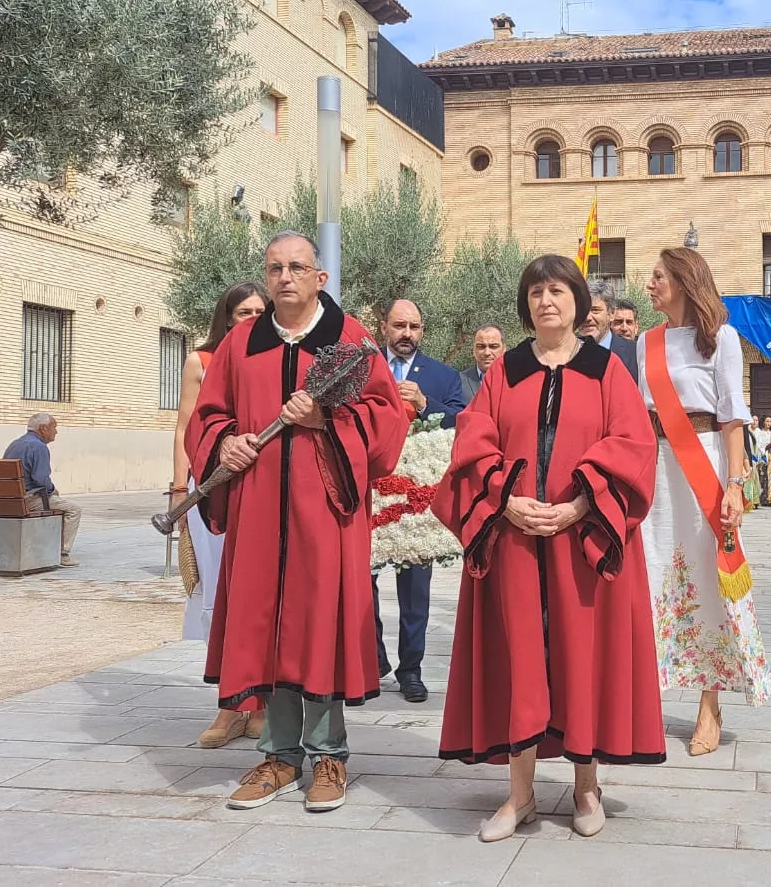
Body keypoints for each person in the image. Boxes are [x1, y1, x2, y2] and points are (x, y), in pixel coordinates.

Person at [433, 254, 665, 842]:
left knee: (580, 652)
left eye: (558, 291)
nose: (546, 301)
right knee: (519, 655)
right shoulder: (503, 371)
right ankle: (520, 797)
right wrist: (506, 500)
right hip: (515, 536)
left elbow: (633, 444)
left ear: (579, 301)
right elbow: (473, 440)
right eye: (536, 292)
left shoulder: (606, 370)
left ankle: (586, 789)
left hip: (579, 537)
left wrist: (580, 505)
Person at [187, 230, 409, 813]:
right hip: (259, 510)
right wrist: (224, 445)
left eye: (297, 267)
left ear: (320, 278)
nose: (285, 277)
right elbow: (208, 417)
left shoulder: (351, 341)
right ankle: (279, 756)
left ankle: (329, 753)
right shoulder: (241, 343)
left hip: (326, 510)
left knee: (320, 624)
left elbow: (386, 423)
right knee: (269, 624)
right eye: (275, 268)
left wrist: (325, 418)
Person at [639, 247, 771, 757]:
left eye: (657, 277)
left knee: (705, 579)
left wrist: (736, 485)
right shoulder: (646, 344)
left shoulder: (722, 338)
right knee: (654, 576)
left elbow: (733, 417)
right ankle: (647, 695)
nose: (649, 284)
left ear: (682, 280)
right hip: (655, 466)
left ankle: (709, 702)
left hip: (705, 463)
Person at [172, 280, 268, 748]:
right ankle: (230, 707)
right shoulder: (202, 360)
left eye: (258, 311)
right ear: (227, 317)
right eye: (243, 312)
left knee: (260, 598)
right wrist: (177, 489)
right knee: (221, 598)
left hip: (264, 490)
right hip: (213, 489)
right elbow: (186, 425)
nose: (252, 318)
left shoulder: (273, 358)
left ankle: (261, 705)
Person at [373, 298, 467, 703]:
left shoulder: (443, 376)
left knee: (416, 589)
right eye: (399, 326)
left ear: (422, 331)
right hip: (372, 494)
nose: (406, 334)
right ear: (384, 327)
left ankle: (411, 669)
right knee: (362, 582)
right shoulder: (363, 368)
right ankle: (372, 660)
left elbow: (465, 420)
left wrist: (427, 406)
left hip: (416, 502)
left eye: (414, 326)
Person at [4, 413, 84, 567]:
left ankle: (47, 547)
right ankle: (63, 553)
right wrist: (53, 490)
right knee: (73, 509)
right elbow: (41, 480)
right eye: (54, 426)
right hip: (29, 499)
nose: (56, 431)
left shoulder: (15, 444)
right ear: (43, 429)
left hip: (12, 498)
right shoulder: (38, 447)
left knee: (57, 501)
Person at [580, 282, 638, 381]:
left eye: (595, 310)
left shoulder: (636, 353)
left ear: (611, 314)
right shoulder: (565, 353)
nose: (587, 317)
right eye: (583, 310)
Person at [459, 324, 506, 404]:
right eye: (481, 346)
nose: (487, 353)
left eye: (493, 346)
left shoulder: (516, 380)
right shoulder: (459, 382)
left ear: (504, 349)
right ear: (473, 350)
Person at [751, 416, 771, 506]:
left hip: (761, 457)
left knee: (762, 480)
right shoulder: (748, 431)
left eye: (756, 420)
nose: (755, 422)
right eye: (753, 420)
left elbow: (761, 445)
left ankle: (761, 499)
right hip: (752, 457)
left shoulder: (759, 432)